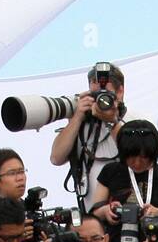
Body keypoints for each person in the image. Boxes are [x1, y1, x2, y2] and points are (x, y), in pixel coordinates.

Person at [48, 62, 134, 211]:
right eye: (95, 95)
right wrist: (77, 117)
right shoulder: (82, 124)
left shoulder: (136, 120)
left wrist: (111, 121)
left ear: (120, 92)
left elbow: (138, 157)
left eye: (105, 94)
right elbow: (56, 158)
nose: (100, 100)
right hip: (90, 217)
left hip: (128, 211)